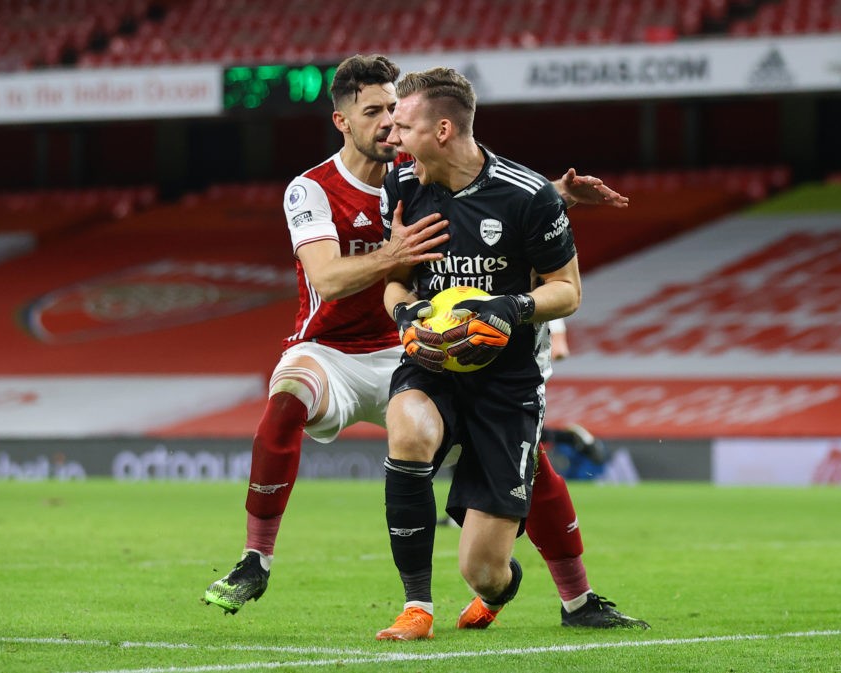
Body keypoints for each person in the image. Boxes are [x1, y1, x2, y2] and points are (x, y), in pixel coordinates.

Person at [203, 55, 646, 634]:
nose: (389, 123)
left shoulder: (412, 178)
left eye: (395, 110)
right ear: (343, 122)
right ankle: (258, 561)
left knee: (525, 465)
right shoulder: (316, 189)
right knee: (288, 397)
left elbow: (490, 196)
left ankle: (573, 597)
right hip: (337, 350)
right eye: (375, 113)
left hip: (418, 345)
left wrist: (551, 196)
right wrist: (399, 263)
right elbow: (331, 278)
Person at [376, 66, 647, 642]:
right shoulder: (401, 187)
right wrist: (403, 312)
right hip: (432, 361)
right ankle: (416, 606)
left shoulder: (529, 197)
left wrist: (508, 309)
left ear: (443, 129)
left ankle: (502, 585)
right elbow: (394, 279)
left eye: (401, 125)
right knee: (408, 430)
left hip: (509, 381)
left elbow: (568, 291)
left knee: (483, 571)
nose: (390, 138)